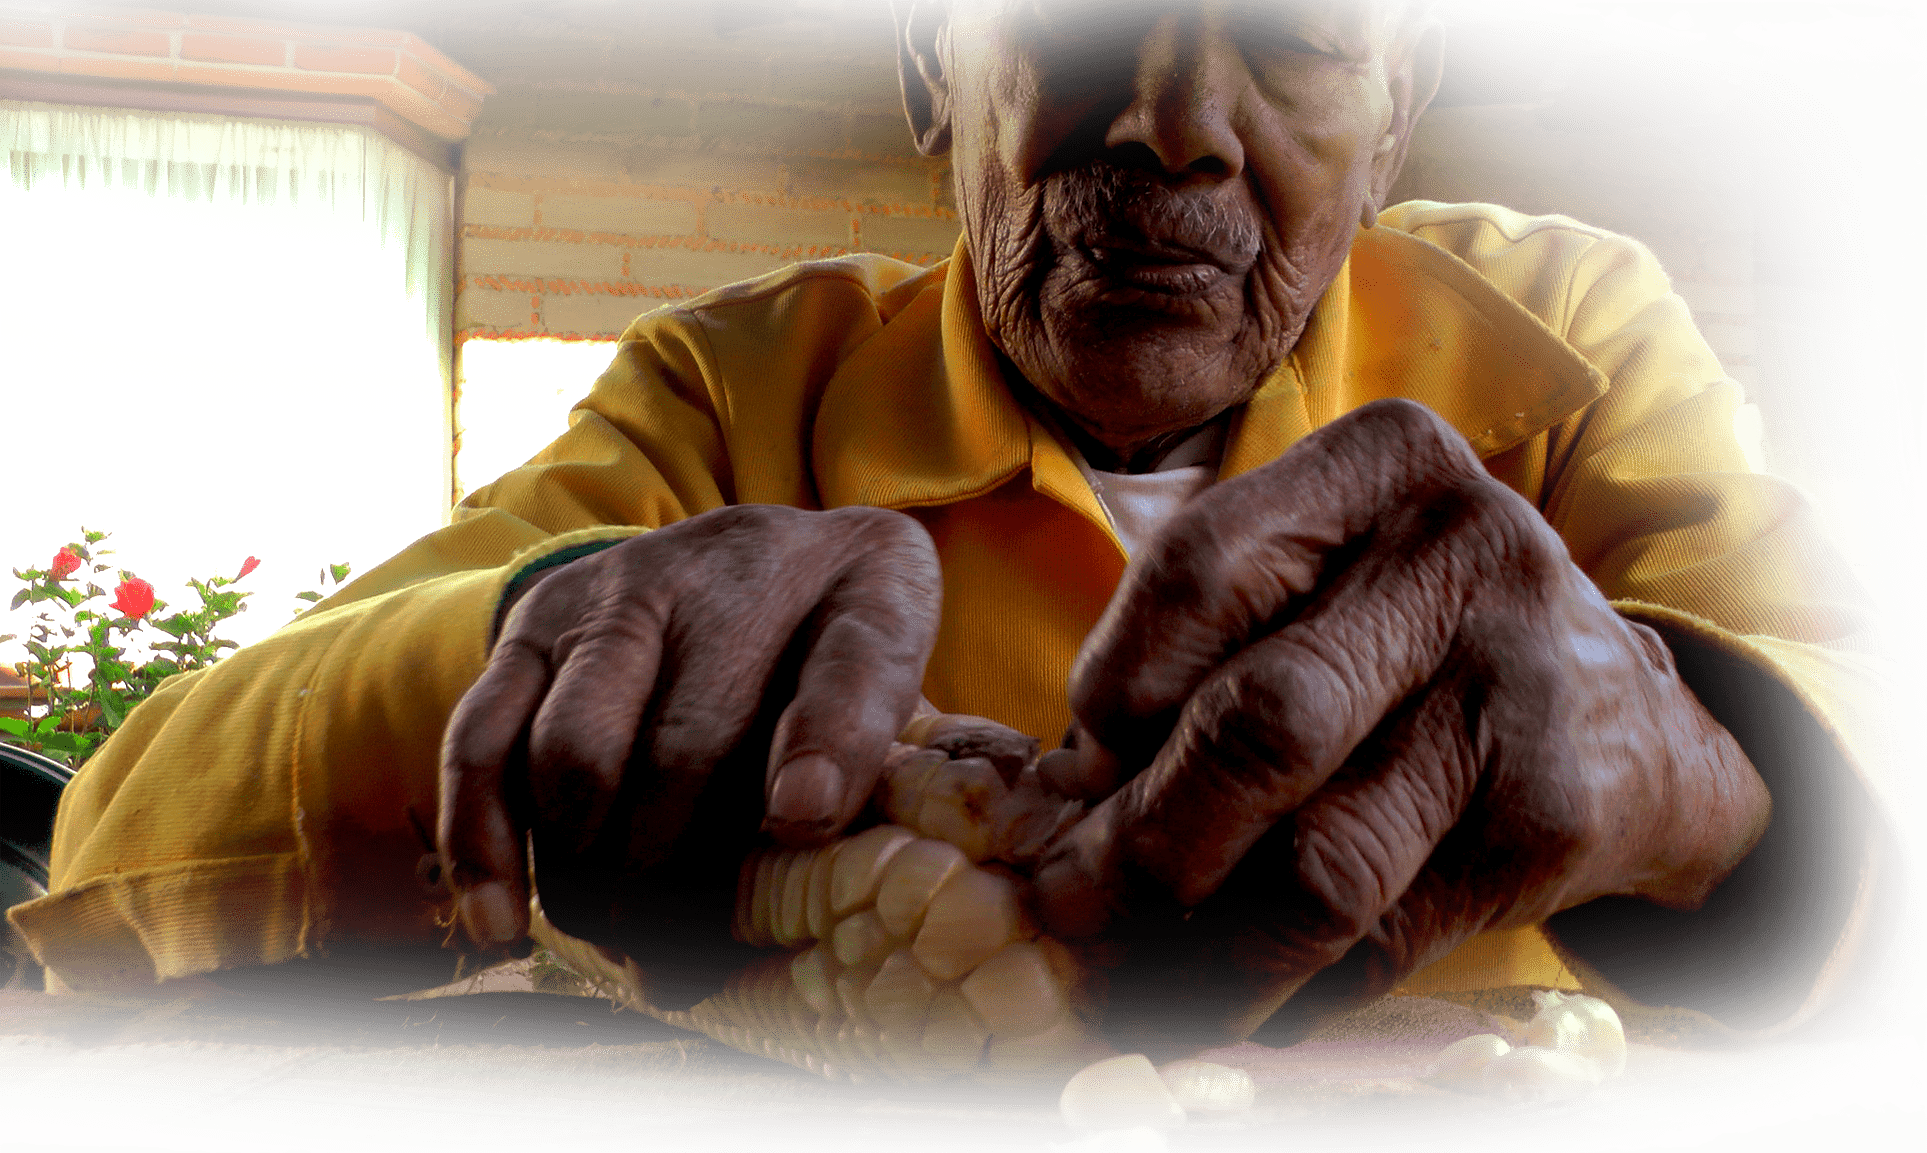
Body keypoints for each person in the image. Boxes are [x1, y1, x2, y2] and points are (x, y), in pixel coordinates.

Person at [10, 0, 1911, 1053]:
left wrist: (1695, 763)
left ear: (1394, 113)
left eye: (1294, 38)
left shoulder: (1568, 339)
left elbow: (1876, 747)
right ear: (939, 69)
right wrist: (567, 616)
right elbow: (123, 835)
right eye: (1077, 20)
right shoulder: (732, 392)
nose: (1172, 125)